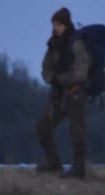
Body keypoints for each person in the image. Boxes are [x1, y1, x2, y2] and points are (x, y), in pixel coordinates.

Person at [35, 7, 91, 179]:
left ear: (66, 25)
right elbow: (45, 68)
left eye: (59, 24)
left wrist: (63, 79)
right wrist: (52, 79)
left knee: (77, 133)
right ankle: (53, 162)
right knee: (42, 127)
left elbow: (81, 72)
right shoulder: (53, 44)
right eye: (54, 24)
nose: (56, 28)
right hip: (58, 94)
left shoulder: (77, 43)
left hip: (75, 93)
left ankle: (78, 169)